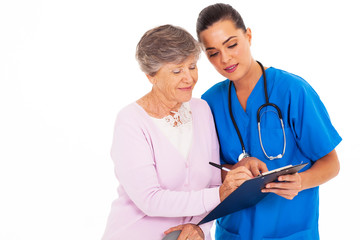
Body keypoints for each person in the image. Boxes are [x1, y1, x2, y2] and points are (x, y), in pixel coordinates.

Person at [196, 3, 342, 240]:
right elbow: (207, 172)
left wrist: (301, 181)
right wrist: (235, 170)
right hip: (233, 233)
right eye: (213, 53)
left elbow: (331, 163)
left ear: (248, 35)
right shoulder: (209, 102)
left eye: (232, 44)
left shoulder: (293, 90)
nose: (225, 58)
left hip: (290, 232)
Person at [101, 24, 253, 240]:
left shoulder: (201, 110)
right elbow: (150, 200)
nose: (189, 78)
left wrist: (200, 226)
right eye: (176, 71)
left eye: (192, 66)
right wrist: (219, 194)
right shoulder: (131, 122)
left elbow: (211, 183)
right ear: (151, 76)